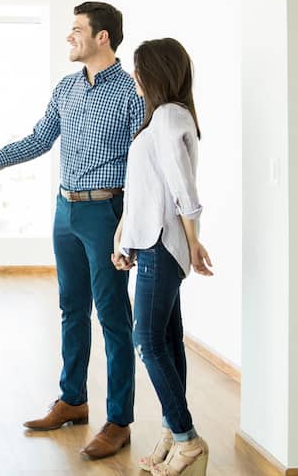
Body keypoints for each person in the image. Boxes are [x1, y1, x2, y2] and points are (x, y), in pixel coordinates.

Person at [0, 2, 145, 459]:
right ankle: (73, 400)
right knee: (70, 308)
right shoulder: (66, 88)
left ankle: (119, 420)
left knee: (113, 317)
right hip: (65, 211)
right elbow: (41, 137)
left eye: (77, 30)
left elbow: (144, 165)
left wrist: (131, 225)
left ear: (102, 37)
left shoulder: (130, 92)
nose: (69, 37)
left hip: (107, 213)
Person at [112, 37, 212, 476]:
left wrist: (193, 240)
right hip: (151, 241)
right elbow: (143, 189)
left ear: (151, 74)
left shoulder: (170, 115)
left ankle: (187, 439)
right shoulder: (162, 119)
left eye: (138, 69)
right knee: (168, 341)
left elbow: (181, 187)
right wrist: (123, 237)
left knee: (147, 342)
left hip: (162, 244)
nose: (134, 77)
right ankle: (175, 434)